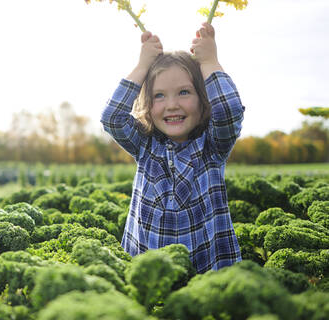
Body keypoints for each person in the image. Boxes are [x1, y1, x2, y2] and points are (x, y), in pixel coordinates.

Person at [100, 22, 244, 273]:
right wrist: (142, 66)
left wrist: (210, 61)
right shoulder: (145, 144)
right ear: (148, 103)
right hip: (148, 274)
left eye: (184, 92)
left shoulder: (212, 147)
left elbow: (229, 110)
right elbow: (112, 117)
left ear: (203, 98)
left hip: (206, 273)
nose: (172, 105)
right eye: (159, 95)